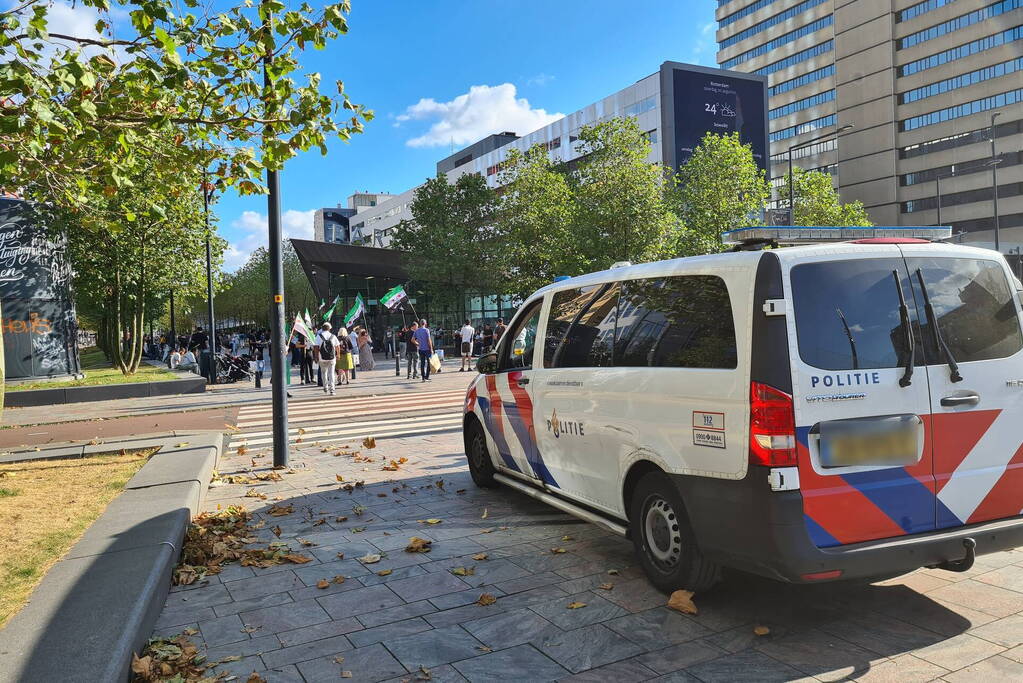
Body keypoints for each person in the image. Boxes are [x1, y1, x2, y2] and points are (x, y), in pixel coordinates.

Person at [314, 322, 341, 395]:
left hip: (322, 358)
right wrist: (338, 355)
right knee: (331, 373)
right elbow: (337, 346)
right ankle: (332, 389)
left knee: (324, 373)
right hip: (332, 358)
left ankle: (325, 387)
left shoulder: (318, 336)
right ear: (329, 329)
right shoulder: (333, 336)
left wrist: (316, 357)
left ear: (322, 328)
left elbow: (316, 347)